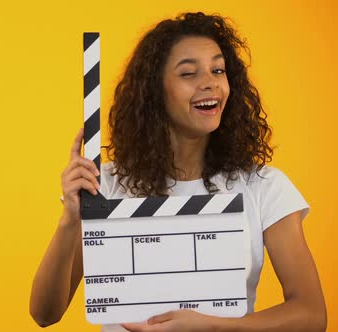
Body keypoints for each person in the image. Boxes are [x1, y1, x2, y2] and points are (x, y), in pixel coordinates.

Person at [29, 12, 326, 332]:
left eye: (218, 69)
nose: (210, 82)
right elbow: (45, 313)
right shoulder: (106, 185)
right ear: (155, 92)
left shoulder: (264, 187)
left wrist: (213, 326)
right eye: (188, 73)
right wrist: (70, 219)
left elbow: (310, 315)